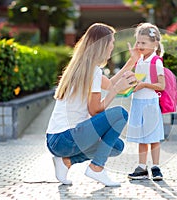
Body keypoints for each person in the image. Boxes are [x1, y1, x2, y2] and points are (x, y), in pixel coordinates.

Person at [46, 23, 140, 187]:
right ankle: (97, 168)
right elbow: (95, 110)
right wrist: (116, 90)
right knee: (120, 114)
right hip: (65, 138)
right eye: (111, 42)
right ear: (103, 45)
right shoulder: (93, 71)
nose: (113, 46)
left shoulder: (82, 66)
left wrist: (132, 62)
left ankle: (66, 162)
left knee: (116, 146)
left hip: (56, 140)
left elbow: (110, 84)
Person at [126, 23, 165, 181]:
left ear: (155, 44)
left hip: (150, 103)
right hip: (138, 103)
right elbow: (136, 78)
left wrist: (143, 85)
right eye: (138, 42)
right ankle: (142, 167)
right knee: (142, 138)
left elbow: (161, 86)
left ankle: (156, 167)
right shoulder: (139, 60)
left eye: (143, 43)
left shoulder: (157, 61)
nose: (140, 46)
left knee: (153, 138)